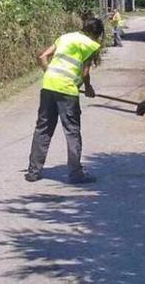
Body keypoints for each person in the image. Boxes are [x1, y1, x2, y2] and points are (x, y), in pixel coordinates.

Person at [26, 17, 104, 184]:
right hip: (67, 91)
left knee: (43, 129)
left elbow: (42, 57)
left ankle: (33, 172)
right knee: (72, 131)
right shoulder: (90, 45)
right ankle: (76, 174)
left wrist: (50, 73)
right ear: (96, 33)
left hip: (48, 85)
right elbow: (84, 73)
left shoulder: (65, 37)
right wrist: (88, 87)